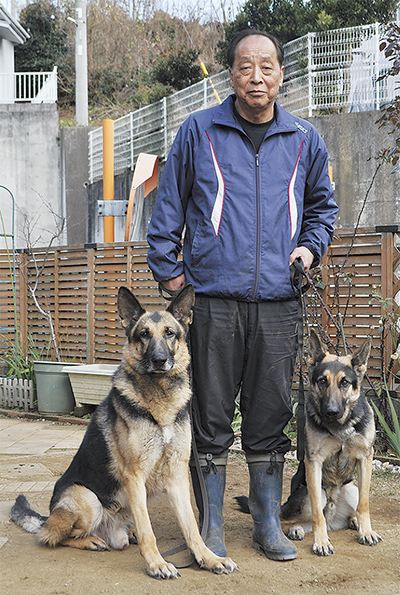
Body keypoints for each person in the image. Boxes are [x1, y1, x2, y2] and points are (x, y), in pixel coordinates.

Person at [147, 29, 338, 562]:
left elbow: (323, 208)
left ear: (282, 74)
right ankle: (210, 529)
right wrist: (175, 279)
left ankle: (267, 522)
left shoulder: (304, 139)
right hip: (211, 303)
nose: (257, 77)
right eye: (246, 66)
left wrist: (307, 252)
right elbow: (166, 212)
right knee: (208, 417)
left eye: (268, 67)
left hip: (279, 303)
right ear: (231, 73)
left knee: (270, 414)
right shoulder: (198, 131)